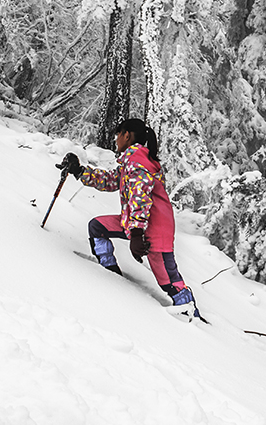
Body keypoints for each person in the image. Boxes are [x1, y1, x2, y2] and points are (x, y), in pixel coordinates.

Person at [57, 118, 200, 319]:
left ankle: (189, 313)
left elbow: (141, 199)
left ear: (127, 135)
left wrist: (136, 235)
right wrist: (79, 171)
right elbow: (109, 180)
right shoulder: (131, 162)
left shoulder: (138, 163)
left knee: (168, 280)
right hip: (136, 224)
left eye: (118, 134)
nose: (116, 139)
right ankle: (112, 276)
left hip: (154, 230)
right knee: (97, 227)